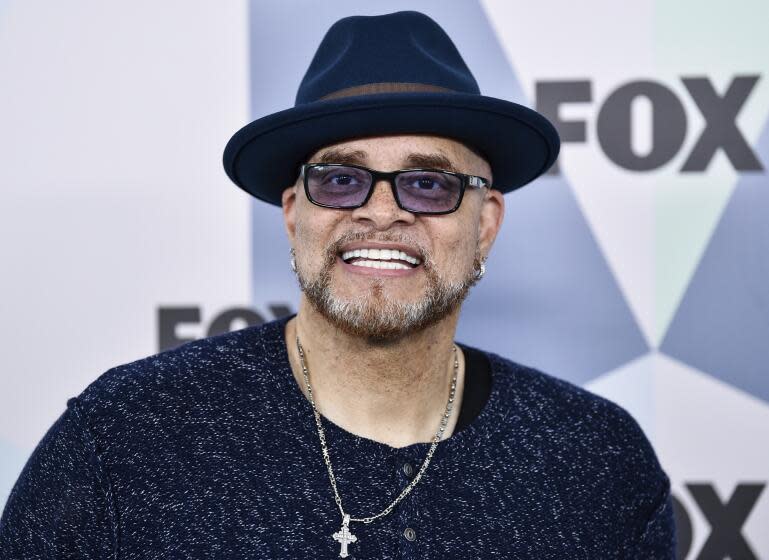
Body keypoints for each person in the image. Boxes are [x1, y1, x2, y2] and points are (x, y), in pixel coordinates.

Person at [0, 10, 676, 559]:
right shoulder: (126, 435)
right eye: (340, 179)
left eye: (428, 183)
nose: (381, 212)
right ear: (295, 214)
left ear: (486, 224)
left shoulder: (593, 459)